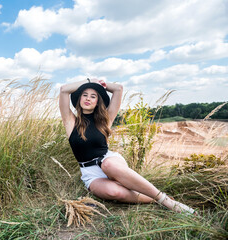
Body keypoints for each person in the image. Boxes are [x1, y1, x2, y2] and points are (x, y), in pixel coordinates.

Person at [59, 78, 194, 214]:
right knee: (114, 193)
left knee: (108, 166)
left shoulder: (104, 120)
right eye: (85, 95)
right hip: (90, 173)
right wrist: (89, 80)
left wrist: (101, 85)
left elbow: (118, 89)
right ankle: (154, 198)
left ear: (97, 102)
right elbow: (64, 90)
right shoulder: (70, 122)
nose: (88, 98)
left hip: (110, 161)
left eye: (93, 96)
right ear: (79, 98)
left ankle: (168, 202)